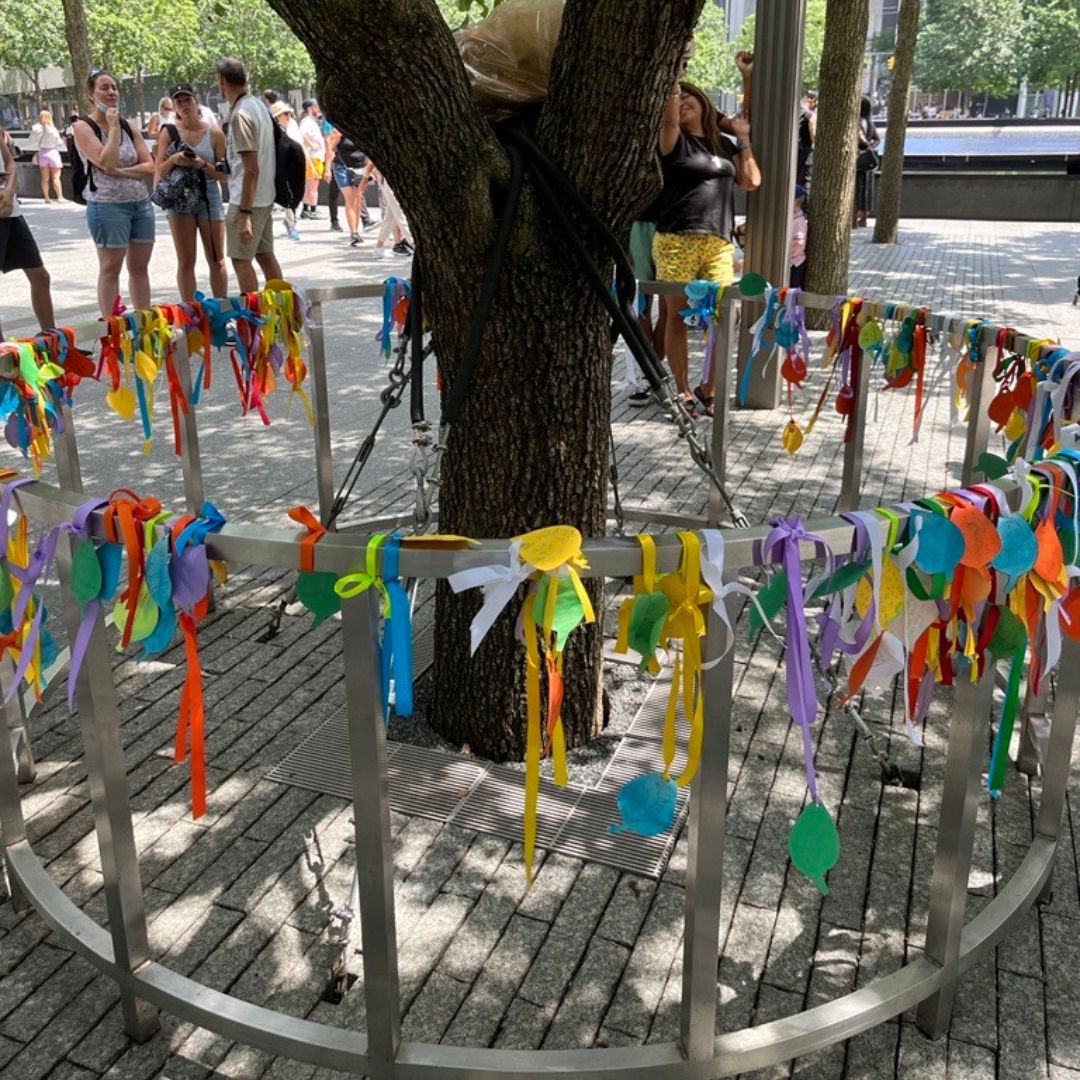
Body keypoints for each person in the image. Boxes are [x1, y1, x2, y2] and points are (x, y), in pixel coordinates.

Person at [654, 79, 760, 418]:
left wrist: (742, 139)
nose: (682, 101)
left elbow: (751, 181)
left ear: (702, 101)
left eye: (688, 96)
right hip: (676, 238)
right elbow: (670, 119)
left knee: (725, 315)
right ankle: (683, 390)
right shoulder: (672, 141)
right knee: (678, 317)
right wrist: (671, 80)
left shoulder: (723, 145)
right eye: (676, 97)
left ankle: (708, 388)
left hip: (718, 242)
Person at [72, 70, 156, 316]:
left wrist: (121, 172)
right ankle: (112, 330)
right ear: (91, 93)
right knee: (111, 268)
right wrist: (111, 128)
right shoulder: (83, 127)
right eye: (104, 88)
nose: (111, 93)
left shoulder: (129, 125)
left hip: (140, 203)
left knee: (140, 268)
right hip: (107, 205)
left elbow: (149, 166)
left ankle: (145, 326)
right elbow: (106, 161)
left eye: (114, 88)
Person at [154, 82, 228, 299]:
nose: (184, 105)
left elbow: (224, 174)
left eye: (187, 99)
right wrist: (175, 159)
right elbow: (159, 169)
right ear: (173, 106)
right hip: (180, 199)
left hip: (208, 196)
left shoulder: (214, 133)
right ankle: (190, 315)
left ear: (197, 101)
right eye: (178, 101)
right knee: (186, 261)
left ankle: (220, 312)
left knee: (217, 258)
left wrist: (202, 165)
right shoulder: (169, 132)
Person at [216, 57, 283, 292]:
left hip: (247, 201)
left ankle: (253, 323)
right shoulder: (258, 106)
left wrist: (243, 214)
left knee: (241, 260)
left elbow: (251, 169)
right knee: (265, 256)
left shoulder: (241, 114)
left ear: (221, 81)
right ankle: (284, 320)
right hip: (265, 197)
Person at [0, 133, 54, 333]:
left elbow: (10, 164)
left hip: (10, 211)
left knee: (40, 275)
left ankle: (51, 339)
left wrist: (9, 191)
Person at [361, 160, 412, 258]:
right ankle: (413, 243)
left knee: (391, 214)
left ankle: (379, 247)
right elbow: (372, 159)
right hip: (390, 180)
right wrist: (366, 177)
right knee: (399, 212)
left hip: (402, 179)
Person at [329, 127, 369, 246]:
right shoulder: (340, 129)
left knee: (357, 198)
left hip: (360, 167)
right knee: (351, 198)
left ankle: (356, 230)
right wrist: (327, 169)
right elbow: (330, 147)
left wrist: (368, 171)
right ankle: (354, 233)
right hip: (342, 166)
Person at [270, 100, 303, 241]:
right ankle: (291, 225)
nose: (289, 116)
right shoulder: (274, 133)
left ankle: (291, 224)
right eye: (285, 114)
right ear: (277, 117)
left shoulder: (291, 128)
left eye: (289, 113)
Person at [854, 95, 879, 229]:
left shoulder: (857, 122)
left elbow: (859, 137)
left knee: (855, 190)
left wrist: (865, 146)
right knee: (867, 190)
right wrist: (871, 148)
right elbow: (877, 139)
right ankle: (863, 219)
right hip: (868, 163)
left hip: (858, 161)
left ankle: (853, 220)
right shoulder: (870, 123)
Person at [29, 110, 65, 203]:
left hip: (42, 154)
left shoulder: (36, 129)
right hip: (53, 153)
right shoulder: (53, 129)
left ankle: (47, 198)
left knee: (45, 178)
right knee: (56, 177)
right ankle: (60, 197)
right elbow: (59, 143)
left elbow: (31, 140)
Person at [298, 98, 325, 219]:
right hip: (313, 158)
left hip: (315, 157)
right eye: (316, 107)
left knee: (310, 186)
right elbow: (302, 134)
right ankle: (313, 210)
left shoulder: (310, 122)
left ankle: (306, 209)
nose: (318, 109)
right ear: (310, 109)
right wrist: (311, 144)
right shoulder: (307, 122)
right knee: (313, 186)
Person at [796, 90, 817, 188]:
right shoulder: (809, 114)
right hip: (805, 151)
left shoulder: (796, 110)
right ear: (811, 100)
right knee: (805, 180)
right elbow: (813, 130)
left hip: (795, 151)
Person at [790, 186, 808, 289]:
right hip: (793, 262)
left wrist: (787, 253)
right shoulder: (794, 217)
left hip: (795, 263)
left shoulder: (798, 221)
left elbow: (798, 242)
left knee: (794, 290)